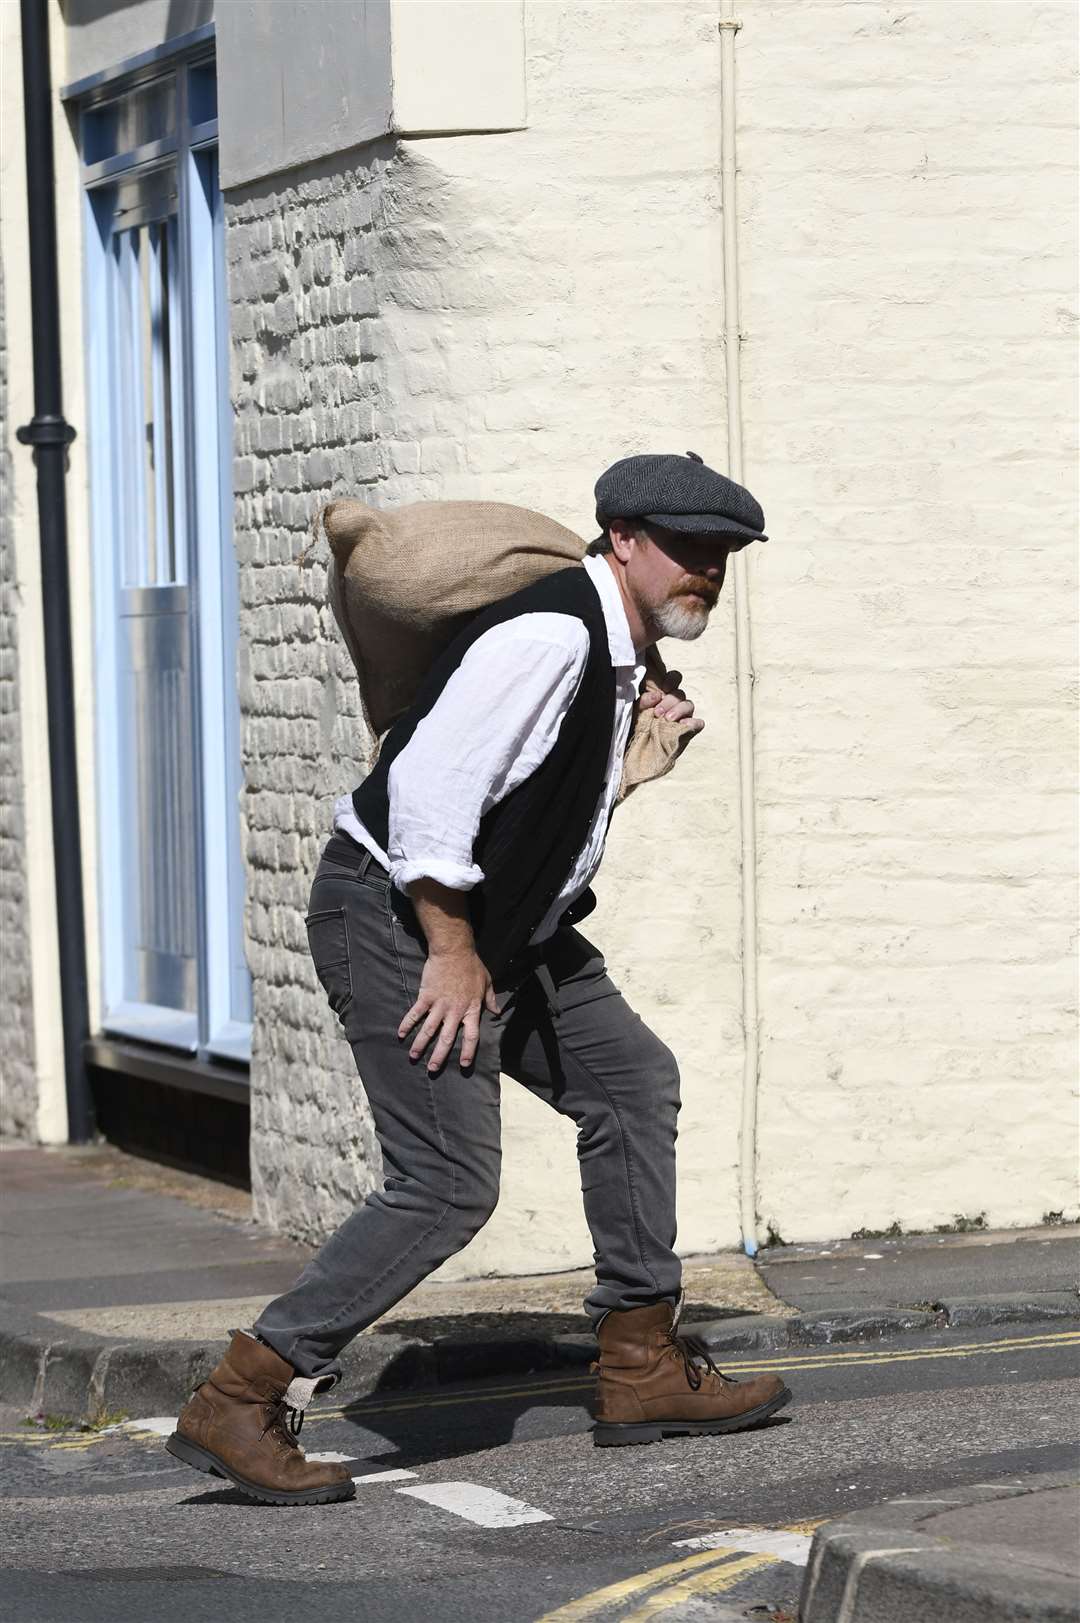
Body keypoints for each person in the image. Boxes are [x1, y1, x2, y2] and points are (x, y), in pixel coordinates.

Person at [166, 451, 790, 1505]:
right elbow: (429, 797)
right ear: (623, 540)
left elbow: (525, 813)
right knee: (447, 1184)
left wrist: (625, 779)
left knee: (631, 1084)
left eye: (723, 554)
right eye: (687, 548)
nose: (708, 571)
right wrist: (452, 955)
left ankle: (640, 1365)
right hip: (404, 920)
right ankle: (243, 1392)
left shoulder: (620, 657)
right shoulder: (552, 635)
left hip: (510, 931)